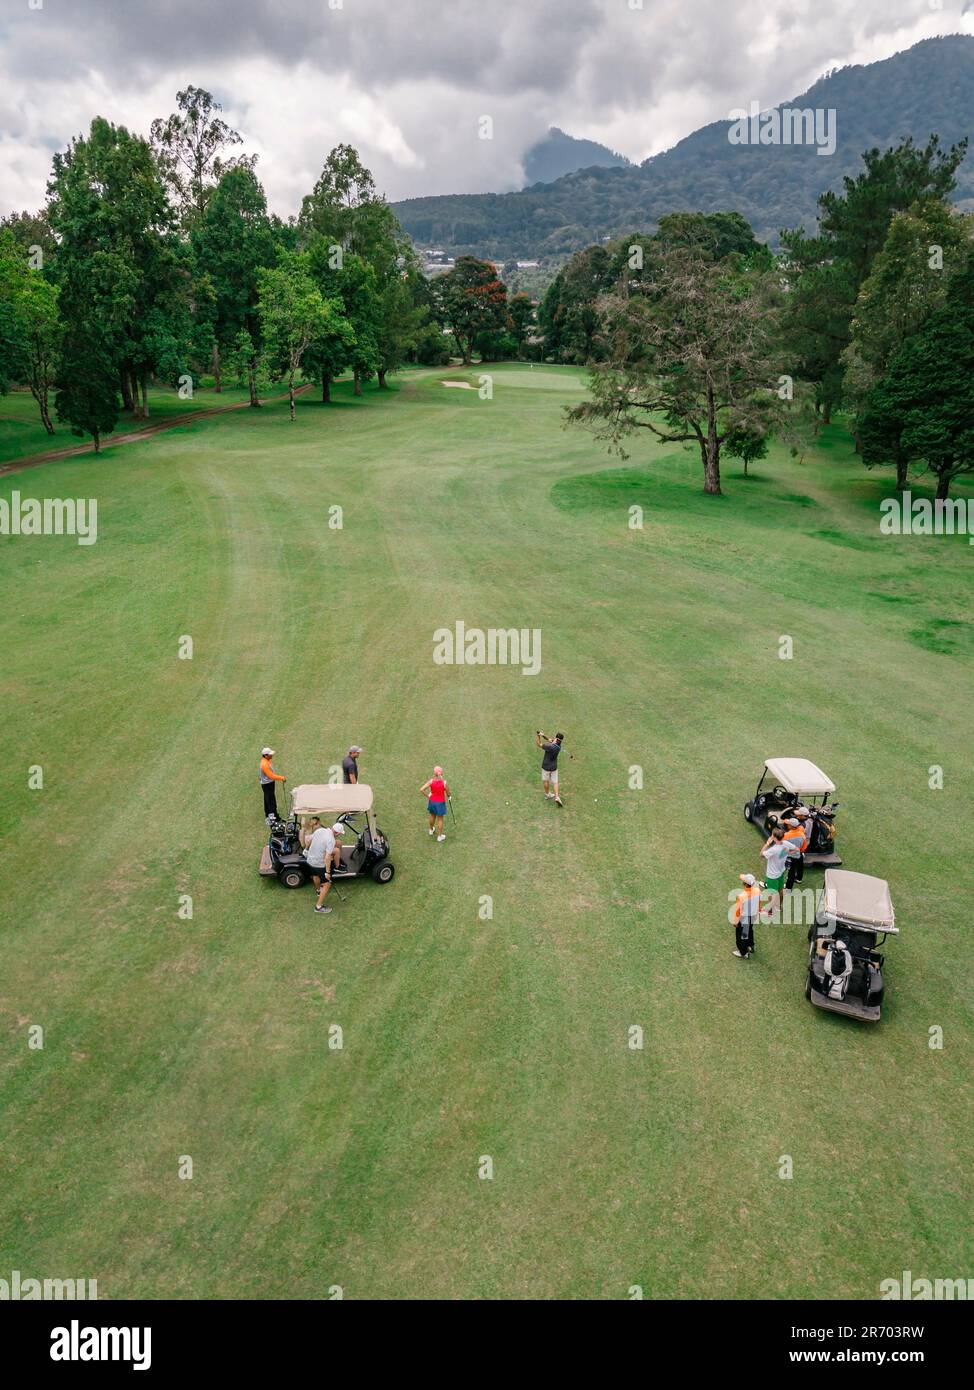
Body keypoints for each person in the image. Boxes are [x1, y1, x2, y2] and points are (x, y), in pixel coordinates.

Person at [760, 827, 800, 919]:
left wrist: (767, 843)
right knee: (780, 891)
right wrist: (788, 852)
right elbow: (797, 849)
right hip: (781, 871)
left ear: (774, 837)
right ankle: (778, 907)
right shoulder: (786, 844)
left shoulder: (773, 849)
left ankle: (770, 912)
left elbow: (761, 854)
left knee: (772, 894)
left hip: (772, 875)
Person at [732, 873, 762, 958]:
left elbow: (738, 911)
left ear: (745, 884)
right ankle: (751, 945)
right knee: (749, 930)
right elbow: (759, 902)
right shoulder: (758, 891)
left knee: (741, 936)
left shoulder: (741, 896)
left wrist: (735, 922)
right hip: (753, 916)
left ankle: (743, 952)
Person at [420, 765, 451, 841]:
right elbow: (448, 793)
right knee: (440, 819)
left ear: (434, 774)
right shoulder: (444, 783)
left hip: (432, 802)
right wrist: (449, 796)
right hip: (440, 803)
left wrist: (428, 796)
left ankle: (431, 830)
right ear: (442, 773)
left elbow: (421, 789)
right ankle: (439, 836)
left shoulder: (431, 781)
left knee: (432, 816)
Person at [536, 729, 565, 806]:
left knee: (546, 781)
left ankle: (547, 794)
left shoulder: (550, 747)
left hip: (546, 766)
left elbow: (539, 744)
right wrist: (543, 735)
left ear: (556, 738)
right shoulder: (558, 746)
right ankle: (557, 797)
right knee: (555, 782)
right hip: (554, 767)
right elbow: (549, 739)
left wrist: (538, 736)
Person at [260, 746, 286, 821]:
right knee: (271, 801)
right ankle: (275, 817)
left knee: (267, 798)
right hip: (268, 784)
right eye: (270, 754)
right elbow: (271, 776)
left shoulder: (265, 761)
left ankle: (267, 813)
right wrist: (282, 778)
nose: (272, 755)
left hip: (266, 784)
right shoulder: (264, 764)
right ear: (266, 755)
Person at [783, 816, 806, 890]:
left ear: (791, 826)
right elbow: (803, 847)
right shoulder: (802, 834)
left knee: (785, 872)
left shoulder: (786, 835)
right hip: (797, 856)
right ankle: (790, 887)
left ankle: (784, 887)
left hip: (788, 856)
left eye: (788, 824)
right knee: (793, 871)